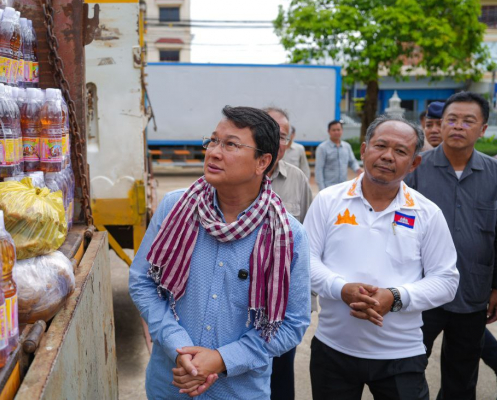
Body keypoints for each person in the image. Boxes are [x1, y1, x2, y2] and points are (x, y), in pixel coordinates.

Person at [129, 106, 310, 399]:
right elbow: (142, 281)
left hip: (239, 392)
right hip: (170, 385)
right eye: (213, 141)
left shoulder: (289, 234)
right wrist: (178, 347)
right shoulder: (174, 208)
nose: (213, 152)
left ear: (263, 162)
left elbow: (292, 323)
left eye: (231, 145)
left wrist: (223, 359)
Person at [305, 114, 460, 399]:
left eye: (400, 151)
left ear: (414, 163)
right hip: (333, 350)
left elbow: (446, 280)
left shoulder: (426, 213)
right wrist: (341, 289)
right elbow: (305, 261)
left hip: (401, 355)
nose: (388, 156)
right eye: (380, 146)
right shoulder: (328, 200)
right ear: (364, 150)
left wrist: (396, 297)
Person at [405, 91, 497, 399]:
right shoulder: (415, 169)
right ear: (439, 124)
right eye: (451, 119)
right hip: (421, 290)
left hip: (473, 291)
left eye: (468, 121)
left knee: (462, 378)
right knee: (405, 368)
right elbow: (398, 228)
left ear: (483, 129)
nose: (458, 126)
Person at [265, 107, 314, 400]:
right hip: (238, 299)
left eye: (281, 136)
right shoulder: (230, 176)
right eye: (268, 131)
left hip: (282, 302)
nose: (275, 140)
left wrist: (308, 299)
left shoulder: (297, 179)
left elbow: (310, 240)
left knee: (281, 376)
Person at [315, 120, 362, 191]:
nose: (336, 132)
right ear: (328, 131)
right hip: (328, 187)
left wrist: (357, 169)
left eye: (338, 130)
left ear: (342, 130)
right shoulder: (322, 148)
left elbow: (352, 161)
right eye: (334, 130)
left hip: (343, 187)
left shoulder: (347, 146)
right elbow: (319, 169)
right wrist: (322, 189)